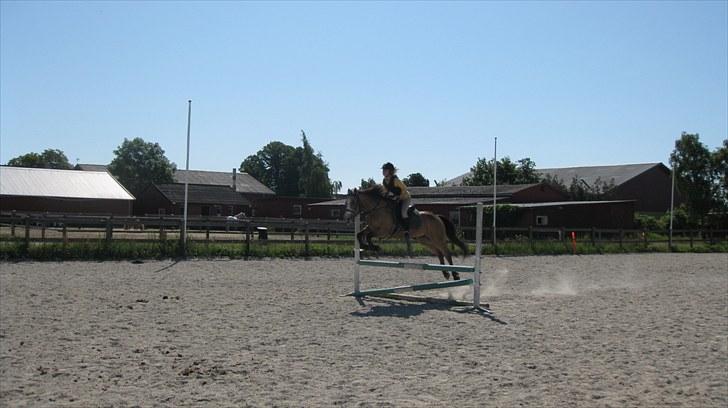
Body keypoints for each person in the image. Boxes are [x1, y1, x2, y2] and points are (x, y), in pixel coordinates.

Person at [381, 162, 412, 231]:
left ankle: (407, 229)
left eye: (385, 170)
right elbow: (385, 191)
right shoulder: (384, 181)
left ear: (390, 171)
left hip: (405, 198)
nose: (383, 172)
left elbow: (404, 189)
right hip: (395, 199)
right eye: (383, 170)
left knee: (403, 213)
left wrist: (399, 197)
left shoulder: (395, 180)